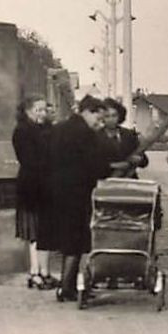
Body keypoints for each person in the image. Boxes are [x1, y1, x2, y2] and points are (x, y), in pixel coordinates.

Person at [39, 96, 115, 302]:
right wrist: (110, 169)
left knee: (68, 239)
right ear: (88, 111)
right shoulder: (85, 133)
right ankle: (67, 288)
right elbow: (96, 165)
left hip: (56, 190)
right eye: (98, 118)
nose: (98, 124)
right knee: (76, 240)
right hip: (77, 191)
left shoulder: (58, 128)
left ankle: (67, 285)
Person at [12, 96, 56, 290]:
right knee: (35, 233)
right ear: (28, 111)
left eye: (43, 110)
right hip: (31, 186)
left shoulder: (44, 130)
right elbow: (30, 160)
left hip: (44, 185)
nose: (42, 114)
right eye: (38, 110)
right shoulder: (22, 131)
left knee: (44, 231)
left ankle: (44, 272)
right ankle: (35, 273)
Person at [101, 97, 148, 178]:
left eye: (114, 115)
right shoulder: (95, 136)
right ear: (102, 117)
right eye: (107, 116)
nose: (111, 119)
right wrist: (113, 165)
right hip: (106, 181)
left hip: (130, 180)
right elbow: (91, 164)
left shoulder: (129, 135)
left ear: (119, 116)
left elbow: (145, 162)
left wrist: (139, 159)